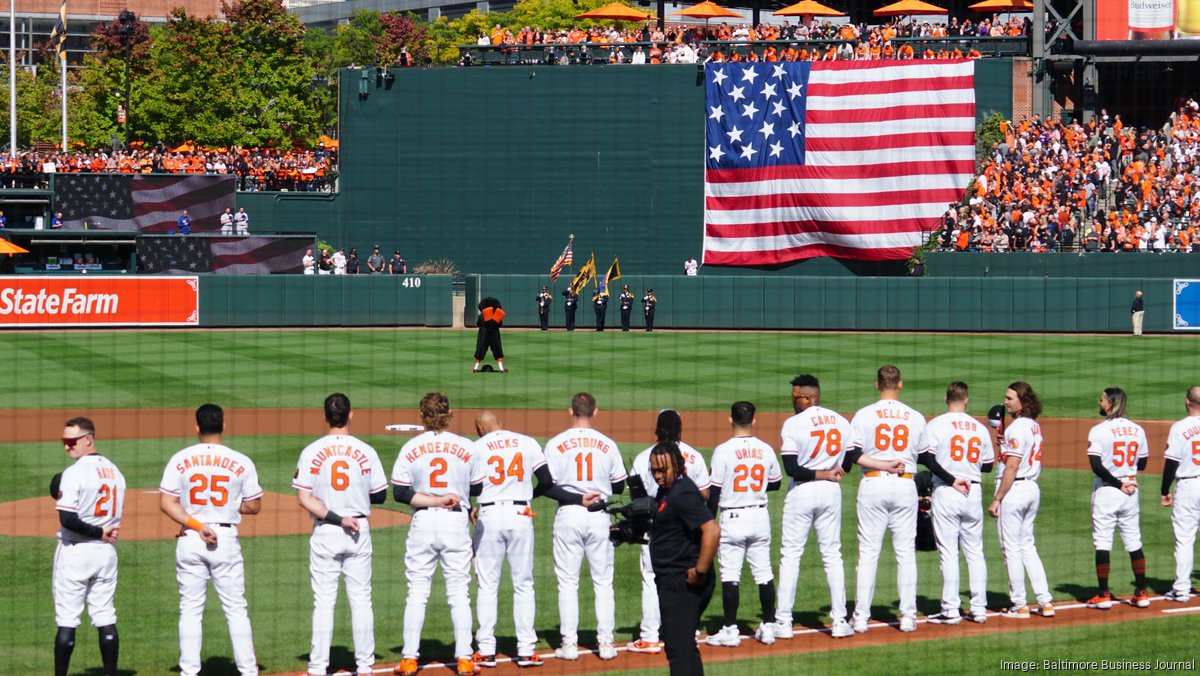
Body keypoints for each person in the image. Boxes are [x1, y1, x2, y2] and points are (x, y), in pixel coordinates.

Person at [470, 411, 590, 669]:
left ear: (480, 429)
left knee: (487, 585)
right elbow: (546, 481)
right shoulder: (526, 442)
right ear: (500, 423)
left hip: (489, 516)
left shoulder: (476, 447)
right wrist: (525, 495)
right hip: (521, 515)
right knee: (524, 585)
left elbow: (473, 487)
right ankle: (526, 651)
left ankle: (486, 650)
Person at [159, 404, 263, 676]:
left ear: (197, 427)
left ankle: (189, 672)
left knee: (190, 610)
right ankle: (249, 671)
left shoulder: (179, 458)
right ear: (223, 426)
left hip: (191, 536)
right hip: (225, 538)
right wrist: (229, 506)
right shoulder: (241, 461)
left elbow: (167, 503)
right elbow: (254, 506)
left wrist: (196, 523)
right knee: (236, 610)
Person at [294, 393, 387, 676]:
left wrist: (336, 516)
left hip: (327, 530)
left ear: (325, 416)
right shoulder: (366, 450)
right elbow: (381, 495)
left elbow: (304, 499)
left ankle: (318, 667)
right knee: (361, 599)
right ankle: (365, 666)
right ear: (350, 415)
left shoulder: (312, 451)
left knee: (323, 601)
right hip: (359, 531)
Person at [391, 393, 479, 676]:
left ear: (421, 416)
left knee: (417, 592)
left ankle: (409, 659)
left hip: (423, 523)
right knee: (459, 593)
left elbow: (400, 492)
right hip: (455, 524)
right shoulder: (466, 446)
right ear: (449, 413)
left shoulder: (410, 447)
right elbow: (477, 488)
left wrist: (432, 498)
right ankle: (465, 658)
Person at [544, 392, 627, 662]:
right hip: (599, 515)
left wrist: (576, 495)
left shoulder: (556, 444)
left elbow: (548, 486)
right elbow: (619, 485)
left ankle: (569, 645)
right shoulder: (607, 443)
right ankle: (606, 644)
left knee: (567, 582)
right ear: (595, 412)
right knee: (603, 582)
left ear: (571, 412)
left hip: (569, 514)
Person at [774, 375, 857, 640]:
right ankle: (839, 621)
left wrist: (822, 474)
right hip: (831, 492)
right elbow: (851, 459)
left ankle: (784, 622)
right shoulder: (841, 421)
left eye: (795, 396)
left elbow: (792, 469)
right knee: (833, 555)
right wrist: (834, 472)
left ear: (808, 398)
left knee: (791, 556)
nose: (792, 401)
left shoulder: (794, 424)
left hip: (803, 492)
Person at [847, 365, 926, 634]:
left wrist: (882, 463)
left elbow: (852, 455)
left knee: (868, 554)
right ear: (900, 384)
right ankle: (907, 616)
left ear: (877, 384)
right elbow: (925, 455)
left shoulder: (864, 414)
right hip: (905, 486)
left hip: (873, 483)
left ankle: (860, 618)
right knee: (905, 554)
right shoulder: (915, 417)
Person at [628, 410, 711, 654]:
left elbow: (636, 497)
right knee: (687, 576)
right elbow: (706, 494)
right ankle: (690, 630)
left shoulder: (645, 457)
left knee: (652, 579)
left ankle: (650, 635)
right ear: (680, 428)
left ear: (657, 429)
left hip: (655, 527)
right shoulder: (693, 455)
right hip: (688, 529)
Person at [51, 417, 126, 676]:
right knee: (105, 615)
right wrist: (102, 532)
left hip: (76, 552)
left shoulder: (74, 473)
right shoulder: (116, 471)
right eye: (64, 441)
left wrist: (96, 530)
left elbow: (67, 519)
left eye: (71, 441)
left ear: (88, 439)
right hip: (105, 554)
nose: (66, 446)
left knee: (67, 619)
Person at [706, 401, 782, 647]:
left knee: (730, 575)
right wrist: (755, 487)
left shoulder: (723, 450)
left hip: (732, 518)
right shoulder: (766, 449)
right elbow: (776, 483)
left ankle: (730, 630)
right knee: (764, 573)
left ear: (730, 420)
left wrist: (708, 521)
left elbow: (715, 492)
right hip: (759, 516)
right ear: (754, 420)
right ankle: (768, 627)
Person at [921, 382, 995, 625]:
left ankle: (951, 610)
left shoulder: (937, 424)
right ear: (967, 399)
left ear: (946, 398)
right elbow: (987, 465)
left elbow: (926, 458)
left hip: (947, 490)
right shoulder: (979, 427)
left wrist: (952, 477)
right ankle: (979, 608)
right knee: (975, 551)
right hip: (973, 492)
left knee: (949, 553)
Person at [647, 441, 719, 675]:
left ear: (678, 466)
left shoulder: (683, 493)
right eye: (654, 470)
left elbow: (712, 529)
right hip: (673, 580)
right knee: (684, 646)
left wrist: (699, 571)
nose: (658, 476)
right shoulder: (668, 490)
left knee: (678, 649)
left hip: (683, 582)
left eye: (662, 470)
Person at [988, 382, 1054, 619]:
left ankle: (1019, 604)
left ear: (1023, 401)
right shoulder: (1034, 426)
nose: (1005, 402)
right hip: (1031, 489)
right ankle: (1045, 601)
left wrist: (997, 499)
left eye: (1010, 398)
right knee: (1028, 546)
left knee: (1011, 549)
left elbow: (1012, 467)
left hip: (1014, 491)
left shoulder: (1016, 428)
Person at [1085, 387, 1150, 610]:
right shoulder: (1138, 430)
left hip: (1108, 491)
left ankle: (1103, 594)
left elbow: (1096, 466)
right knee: (1134, 540)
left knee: (1102, 541)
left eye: (1102, 399)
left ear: (1110, 404)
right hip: (1131, 490)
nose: (1099, 402)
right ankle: (1141, 592)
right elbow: (1142, 464)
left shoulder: (1099, 431)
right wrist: (1125, 479)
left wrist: (1117, 483)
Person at [1161, 386, 1200, 602]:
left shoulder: (1179, 427)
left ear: (1187, 402)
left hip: (1188, 486)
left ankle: (1182, 589)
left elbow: (1172, 462)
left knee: (1184, 539)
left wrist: (1164, 489)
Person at [473, 297, 506, 373]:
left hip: (483, 335)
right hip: (494, 335)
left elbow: (478, 324)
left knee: (480, 350)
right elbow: (500, 324)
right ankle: (501, 368)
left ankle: (475, 368)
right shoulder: (496, 316)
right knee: (498, 350)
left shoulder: (482, 315)